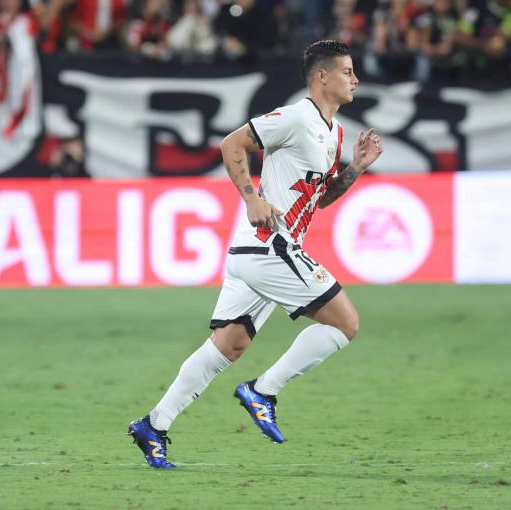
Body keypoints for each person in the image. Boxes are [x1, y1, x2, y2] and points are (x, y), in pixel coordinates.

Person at [128, 39, 383, 469]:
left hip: (261, 253)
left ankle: (154, 424)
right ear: (322, 77)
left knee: (228, 345)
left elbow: (318, 199)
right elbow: (232, 144)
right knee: (346, 323)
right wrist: (250, 197)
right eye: (347, 71)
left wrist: (355, 168)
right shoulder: (296, 117)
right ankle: (262, 391)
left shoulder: (333, 132)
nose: (355, 79)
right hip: (270, 246)